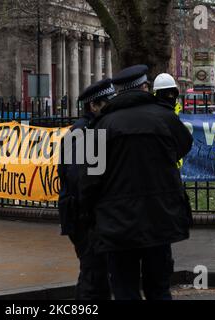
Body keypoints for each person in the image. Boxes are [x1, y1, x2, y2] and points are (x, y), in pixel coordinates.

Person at [79, 65, 193, 300]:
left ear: (118, 91)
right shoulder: (165, 117)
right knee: (159, 288)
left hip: (117, 225)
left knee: (125, 289)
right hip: (160, 219)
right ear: (144, 87)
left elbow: (88, 180)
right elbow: (184, 146)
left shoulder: (100, 126)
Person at [58, 79, 115, 300]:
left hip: (86, 215)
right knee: (93, 275)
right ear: (94, 106)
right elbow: (76, 177)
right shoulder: (83, 132)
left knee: (96, 275)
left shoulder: (93, 129)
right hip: (82, 217)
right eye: (107, 104)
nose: (111, 108)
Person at [153, 73, 185, 169]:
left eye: (172, 93)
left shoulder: (175, 109)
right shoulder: (153, 109)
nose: (170, 96)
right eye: (167, 93)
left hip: (174, 164)